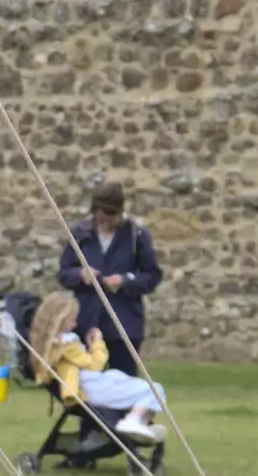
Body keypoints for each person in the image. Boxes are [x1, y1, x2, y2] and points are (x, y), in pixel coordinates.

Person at [29, 290, 166, 445]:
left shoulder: (52, 346)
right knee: (154, 390)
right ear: (59, 321)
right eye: (72, 320)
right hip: (90, 386)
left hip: (88, 382)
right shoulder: (66, 344)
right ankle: (134, 421)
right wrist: (97, 344)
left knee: (135, 384)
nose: (75, 324)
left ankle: (138, 423)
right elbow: (94, 365)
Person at [57, 182, 163, 376]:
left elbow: (152, 276)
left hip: (123, 324)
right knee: (84, 386)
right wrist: (80, 274)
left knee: (123, 384)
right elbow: (64, 272)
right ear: (95, 210)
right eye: (103, 214)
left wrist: (124, 281)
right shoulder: (80, 234)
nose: (107, 220)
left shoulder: (136, 236)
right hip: (86, 320)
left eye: (112, 214)